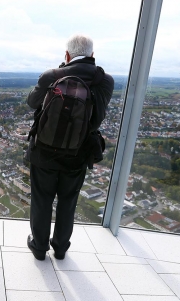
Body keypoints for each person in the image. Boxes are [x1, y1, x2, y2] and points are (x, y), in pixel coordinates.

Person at [25, 34, 114, 260]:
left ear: (67, 55)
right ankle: (61, 248)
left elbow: (32, 103)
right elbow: (97, 117)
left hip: (44, 151)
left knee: (42, 200)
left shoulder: (51, 76)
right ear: (92, 56)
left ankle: (39, 247)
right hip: (78, 152)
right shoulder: (105, 81)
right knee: (68, 201)